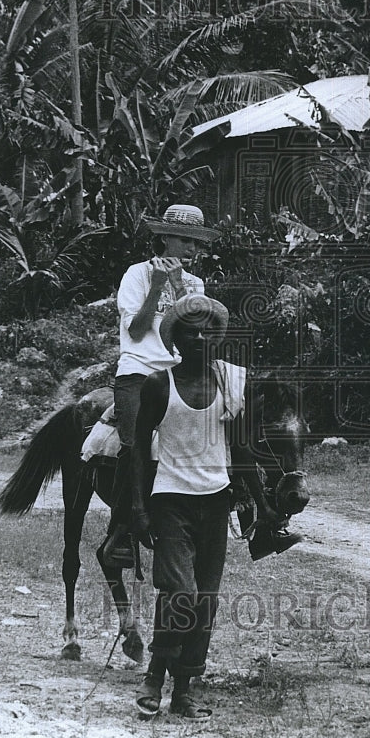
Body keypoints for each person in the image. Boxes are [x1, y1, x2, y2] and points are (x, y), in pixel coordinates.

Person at [129, 294, 279, 719]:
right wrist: (138, 508)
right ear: (175, 340)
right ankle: (154, 677)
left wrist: (264, 506)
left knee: (206, 600)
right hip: (170, 501)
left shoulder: (232, 384)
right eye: (189, 332)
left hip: (215, 502)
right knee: (181, 592)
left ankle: (182, 692)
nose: (198, 338)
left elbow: (243, 448)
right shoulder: (160, 384)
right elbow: (140, 446)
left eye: (206, 331)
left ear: (217, 337)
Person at [100, 205, 220, 568]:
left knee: (228, 429)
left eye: (197, 244)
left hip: (179, 372)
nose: (191, 250)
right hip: (138, 371)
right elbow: (136, 331)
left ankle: (254, 515)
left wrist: (180, 286)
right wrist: (156, 287)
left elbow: (197, 328)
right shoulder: (136, 274)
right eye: (185, 240)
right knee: (133, 442)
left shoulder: (196, 283)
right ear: (164, 238)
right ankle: (120, 529)